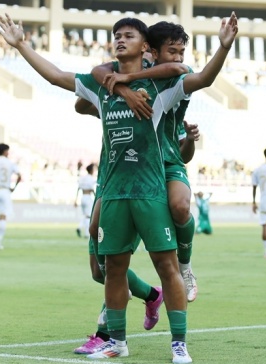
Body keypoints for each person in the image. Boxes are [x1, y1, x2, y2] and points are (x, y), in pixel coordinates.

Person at [0, 11, 238, 364]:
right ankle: (117, 341)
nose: (120, 39)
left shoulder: (161, 88)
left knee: (166, 266)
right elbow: (58, 77)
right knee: (113, 267)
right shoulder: (101, 83)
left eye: (129, 35)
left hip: (150, 189)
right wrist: (21, 46)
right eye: (117, 35)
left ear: (146, 47)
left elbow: (200, 77)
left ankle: (179, 343)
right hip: (111, 191)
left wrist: (223, 48)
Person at [78, 21, 201, 303]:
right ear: (153, 50)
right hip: (117, 173)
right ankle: (148, 297)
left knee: (180, 206)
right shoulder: (124, 69)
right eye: (173, 51)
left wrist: (128, 81)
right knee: (100, 262)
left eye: (181, 52)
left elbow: (181, 71)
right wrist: (118, 89)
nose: (179, 57)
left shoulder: (169, 86)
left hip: (160, 166)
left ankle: (185, 267)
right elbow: (94, 81)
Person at [75, 163, 96, 238]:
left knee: (85, 215)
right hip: (88, 197)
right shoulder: (91, 178)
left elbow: (78, 188)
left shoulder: (82, 178)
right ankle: (87, 234)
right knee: (89, 216)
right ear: (91, 170)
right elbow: (92, 189)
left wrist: (76, 200)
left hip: (82, 197)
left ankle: (79, 227)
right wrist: (96, 197)